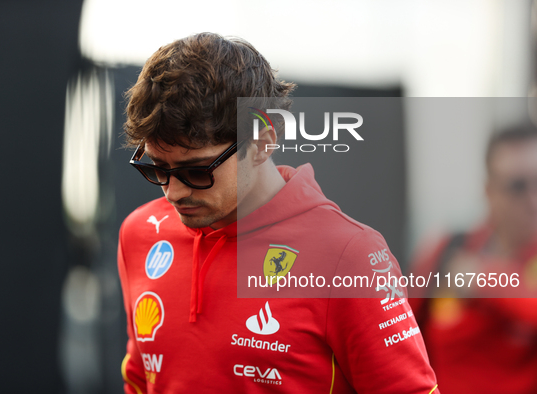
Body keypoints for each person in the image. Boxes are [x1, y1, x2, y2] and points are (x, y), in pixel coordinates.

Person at [118, 32, 439, 393]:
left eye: (197, 171)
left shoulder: (349, 255)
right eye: (158, 168)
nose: (173, 192)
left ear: (263, 141)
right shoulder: (140, 233)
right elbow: (140, 381)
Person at [409, 123, 537, 394]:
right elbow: (398, 330)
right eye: (517, 186)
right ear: (488, 191)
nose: (532, 200)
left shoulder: (471, 266)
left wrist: (483, 277)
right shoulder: (449, 250)